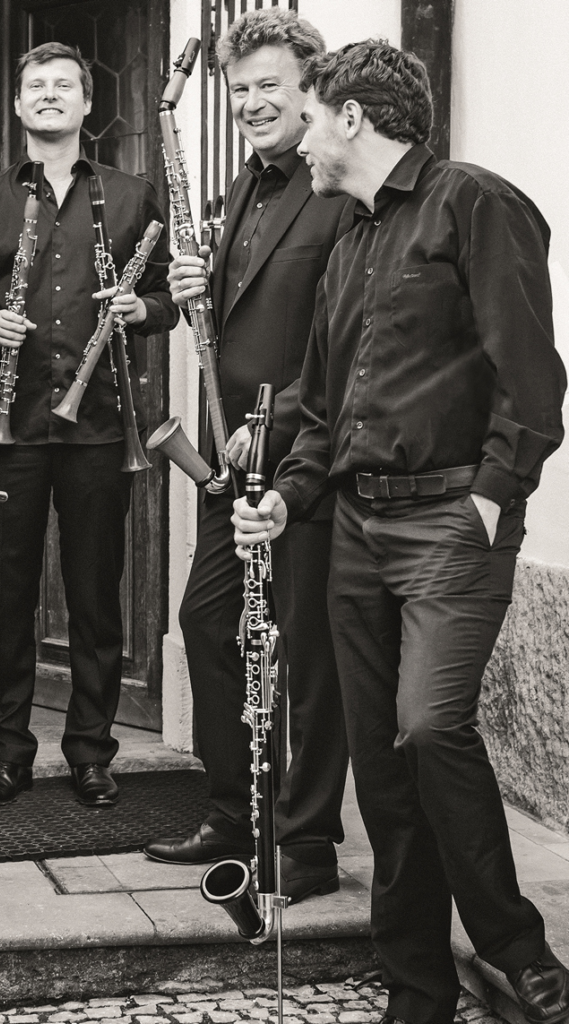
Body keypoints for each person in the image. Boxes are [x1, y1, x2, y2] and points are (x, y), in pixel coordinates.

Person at [233, 39, 568, 1024]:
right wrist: (286, 498)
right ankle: (416, 985)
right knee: (381, 765)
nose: (299, 141)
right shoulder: (346, 242)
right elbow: (321, 407)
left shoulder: (475, 202)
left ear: (349, 115)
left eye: (308, 117)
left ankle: (511, 944)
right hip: (354, 527)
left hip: (448, 521)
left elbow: (530, 377)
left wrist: (492, 497)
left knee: (428, 726)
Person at [143, 8, 350, 906]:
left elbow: (344, 335)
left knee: (308, 655)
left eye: (270, 85)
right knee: (206, 622)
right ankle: (236, 813)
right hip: (239, 457)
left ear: (312, 89)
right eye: (240, 89)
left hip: (309, 452)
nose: (252, 102)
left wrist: (282, 419)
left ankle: (306, 842)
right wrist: (200, 283)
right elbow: (246, 309)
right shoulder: (246, 184)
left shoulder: (339, 186)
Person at [0, 42, 178, 808]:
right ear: (19, 104)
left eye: (64, 85)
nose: (49, 94)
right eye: (35, 86)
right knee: (5, 595)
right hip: (5, 428)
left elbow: (168, 298)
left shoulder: (133, 195)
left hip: (99, 427)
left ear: (88, 103)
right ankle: (6, 754)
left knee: (94, 596)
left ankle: (91, 752)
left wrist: (142, 308)